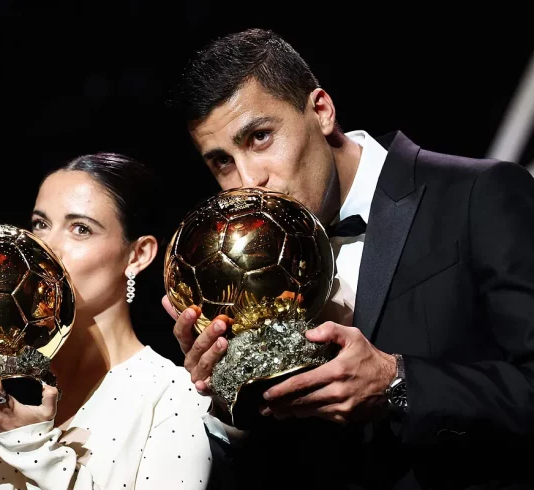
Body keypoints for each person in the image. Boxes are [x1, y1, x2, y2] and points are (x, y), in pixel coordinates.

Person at [164, 28, 534, 489]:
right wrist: (227, 398)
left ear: (321, 111)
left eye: (260, 137)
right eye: (221, 162)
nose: (247, 180)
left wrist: (398, 383)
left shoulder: (481, 194)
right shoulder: (243, 278)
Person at [0, 153, 214, 490]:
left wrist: (29, 446)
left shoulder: (170, 395)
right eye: (40, 224)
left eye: (80, 229)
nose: (45, 247)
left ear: (138, 255)